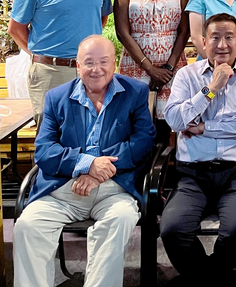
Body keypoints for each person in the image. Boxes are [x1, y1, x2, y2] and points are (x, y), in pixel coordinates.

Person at [13, 35, 156, 287]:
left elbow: (144, 140)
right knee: (28, 226)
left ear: (114, 63)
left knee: (121, 219)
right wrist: (86, 163)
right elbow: (44, 151)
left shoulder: (135, 92)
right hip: (63, 189)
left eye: (103, 61)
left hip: (114, 188)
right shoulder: (56, 97)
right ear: (78, 66)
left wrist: (100, 170)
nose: (96, 69)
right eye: (89, 62)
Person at [160, 13, 236, 287]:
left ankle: (205, 279)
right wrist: (211, 89)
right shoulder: (187, 75)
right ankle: (214, 280)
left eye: (229, 37)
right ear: (204, 41)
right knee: (173, 231)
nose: (222, 45)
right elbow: (175, 121)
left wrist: (204, 127)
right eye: (215, 38)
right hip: (192, 175)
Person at [8, 0, 112, 128]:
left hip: (91, 72)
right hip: (50, 73)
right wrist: (41, 56)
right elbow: (16, 28)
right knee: (52, 135)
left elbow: (100, 17)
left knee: (92, 132)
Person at [114, 0, 190, 130]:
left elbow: (185, 30)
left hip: (172, 65)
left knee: (170, 124)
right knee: (136, 123)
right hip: (136, 64)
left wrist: (168, 69)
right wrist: (150, 69)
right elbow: (122, 32)